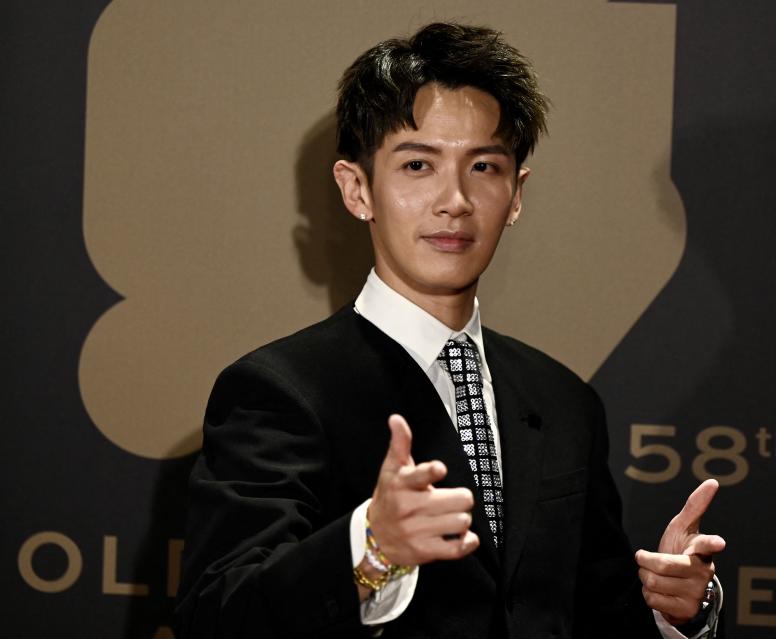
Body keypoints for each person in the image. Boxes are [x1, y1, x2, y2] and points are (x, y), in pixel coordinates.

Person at [174, 22, 725, 639]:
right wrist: (371, 551)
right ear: (358, 190)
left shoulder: (565, 401)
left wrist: (676, 616)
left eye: (483, 166)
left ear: (515, 196)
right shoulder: (280, 391)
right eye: (417, 164)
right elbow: (217, 614)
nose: (455, 199)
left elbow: (589, 616)